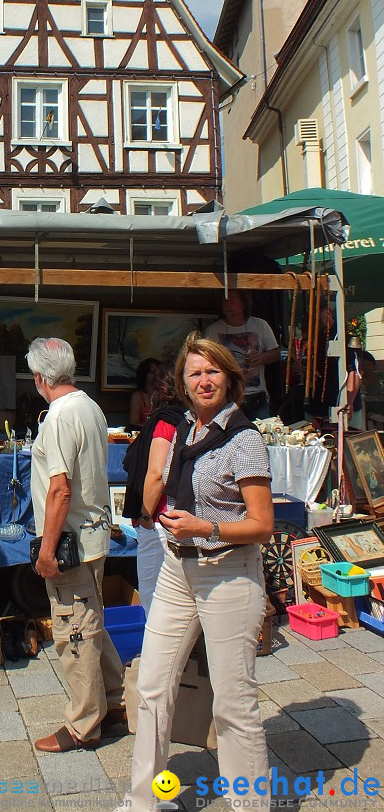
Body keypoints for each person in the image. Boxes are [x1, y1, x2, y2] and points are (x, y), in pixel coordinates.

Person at [123, 335, 273, 812]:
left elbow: (263, 525)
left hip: (227, 573)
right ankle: (144, 800)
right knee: (152, 684)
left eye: (213, 371)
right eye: (195, 373)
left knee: (232, 701)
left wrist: (205, 526)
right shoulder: (184, 427)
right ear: (183, 384)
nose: (204, 380)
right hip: (176, 568)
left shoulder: (244, 439)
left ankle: (250, 805)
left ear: (230, 377)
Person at [26, 336, 126, 753]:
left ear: (39, 377)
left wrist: (46, 550)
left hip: (71, 542)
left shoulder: (59, 416)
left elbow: (60, 490)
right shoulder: (90, 406)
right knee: (91, 617)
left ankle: (85, 724)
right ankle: (116, 703)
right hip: (93, 533)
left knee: (75, 631)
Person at [122, 369, 186, 616]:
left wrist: (146, 517)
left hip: (159, 520)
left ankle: (157, 654)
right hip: (173, 517)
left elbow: (158, 473)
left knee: (153, 596)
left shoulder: (165, 423)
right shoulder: (187, 420)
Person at [205, 289, 279, 419]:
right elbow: (206, 364)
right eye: (224, 301)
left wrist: (261, 358)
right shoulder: (213, 330)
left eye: (231, 300)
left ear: (243, 303)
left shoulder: (260, 325)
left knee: (261, 435)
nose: (226, 305)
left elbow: (277, 354)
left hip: (257, 396)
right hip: (227, 397)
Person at [128, 358, 160, 428]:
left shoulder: (164, 395)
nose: (156, 375)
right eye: (152, 372)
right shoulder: (138, 396)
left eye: (158, 372)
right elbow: (133, 424)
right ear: (144, 374)